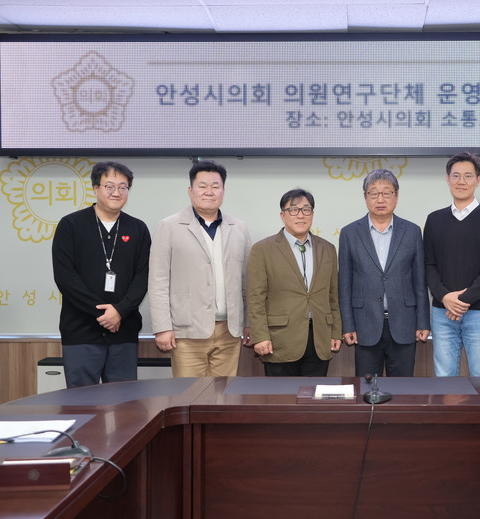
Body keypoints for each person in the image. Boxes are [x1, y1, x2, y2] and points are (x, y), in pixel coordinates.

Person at [52, 161, 151, 388]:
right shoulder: (71, 225)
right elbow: (65, 277)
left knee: (123, 403)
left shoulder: (138, 229)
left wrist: (119, 311)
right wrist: (103, 314)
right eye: (110, 186)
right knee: (81, 401)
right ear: (96, 188)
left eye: (123, 187)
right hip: (81, 332)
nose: (117, 192)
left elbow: (143, 277)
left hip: (123, 332)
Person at [149, 160, 252, 377]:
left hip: (229, 332)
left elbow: (247, 282)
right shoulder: (169, 227)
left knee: (224, 393)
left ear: (223, 191)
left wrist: (249, 322)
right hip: (186, 332)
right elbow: (158, 281)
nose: (209, 192)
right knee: (190, 394)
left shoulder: (239, 228)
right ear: (190, 190)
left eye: (215, 186)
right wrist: (162, 327)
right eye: (202, 186)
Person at [423, 151, 480, 377]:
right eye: (456, 175)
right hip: (442, 312)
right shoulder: (434, 219)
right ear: (447, 179)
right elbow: (428, 264)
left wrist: (463, 300)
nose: (461, 181)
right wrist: (444, 297)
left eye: (468, 176)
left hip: (479, 312)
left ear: (478, 180)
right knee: (444, 376)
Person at [338, 169, 430, 377]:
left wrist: (423, 321)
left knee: (404, 389)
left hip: (404, 323)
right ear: (365, 197)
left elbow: (419, 281)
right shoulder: (349, 233)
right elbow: (344, 284)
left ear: (396, 196)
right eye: (374, 193)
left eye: (387, 193)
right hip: (364, 324)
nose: (380, 199)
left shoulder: (412, 231)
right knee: (366, 388)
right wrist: (348, 325)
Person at [247, 189, 342, 376]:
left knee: (315, 393)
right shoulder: (262, 249)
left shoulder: (328, 249)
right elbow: (255, 298)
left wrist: (336, 331)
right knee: (281, 394)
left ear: (312, 214)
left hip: (319, 338)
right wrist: (260, 336)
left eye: (306, 209)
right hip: (279, 340)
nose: (300, 215)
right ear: (282, 215)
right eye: (293, 210)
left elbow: (333, 296)